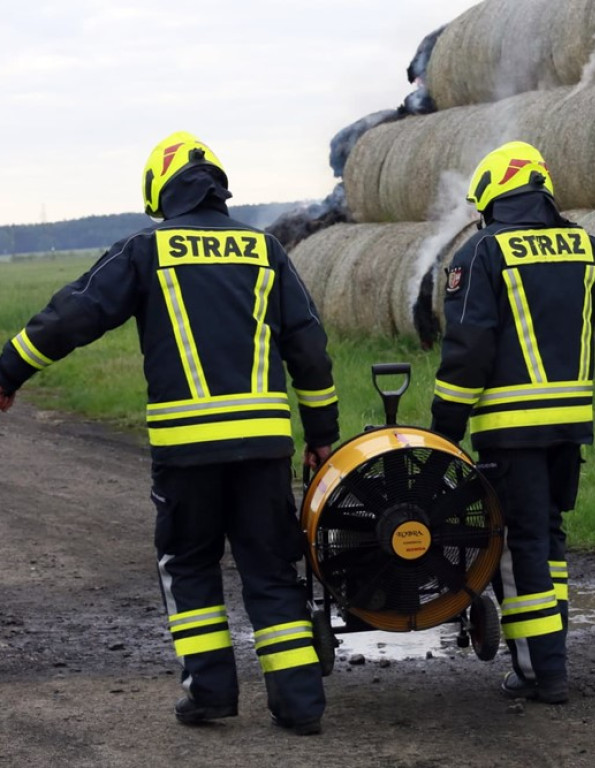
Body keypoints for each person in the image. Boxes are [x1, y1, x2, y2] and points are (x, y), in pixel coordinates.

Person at [0, 131, 339, 735]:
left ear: (162, 191)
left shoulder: (145, 247)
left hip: (187, 450)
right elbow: (309, 350)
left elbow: (74, 314)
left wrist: (9, 371)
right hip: (263, 448)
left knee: (189, 563)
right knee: (269, 569)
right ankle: (300, 704)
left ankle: (209, 692)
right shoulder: (265, 250)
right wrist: (322, 435)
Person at [430, 140, 595, 704]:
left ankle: (541, 673)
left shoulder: (482, 253)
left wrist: (442, 428)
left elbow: (468, 349)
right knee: (549, 538)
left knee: (519, 547)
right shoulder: (585, 247)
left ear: (493, 196)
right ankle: (552, 653)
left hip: (508, 432)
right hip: (570, 430)